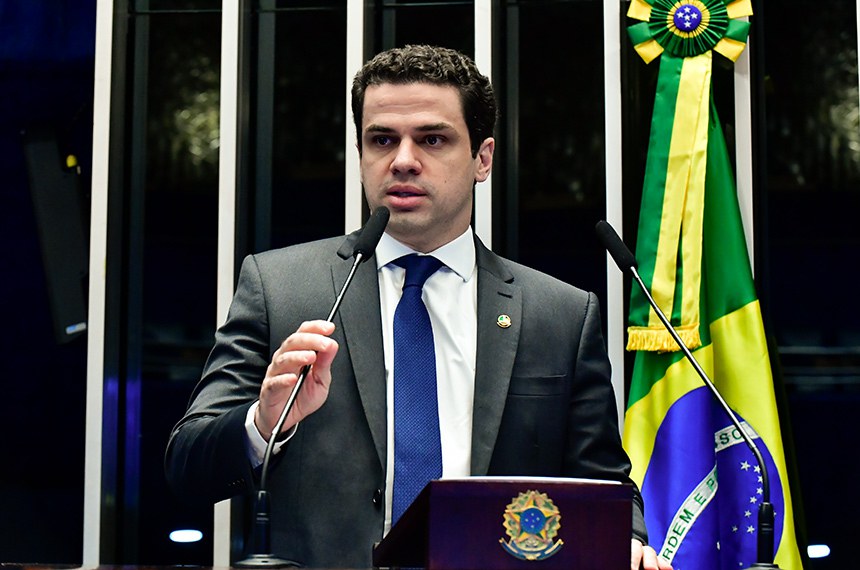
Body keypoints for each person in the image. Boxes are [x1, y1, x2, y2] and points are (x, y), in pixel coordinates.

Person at [165, 44, 671, 570]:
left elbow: (607, 488)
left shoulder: (558, 314)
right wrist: (266, 424)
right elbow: (187, 465)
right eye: (382, 139)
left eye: (432, 139)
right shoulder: (281, 288)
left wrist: (625, 541)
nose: (403, 160)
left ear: (483, 158)